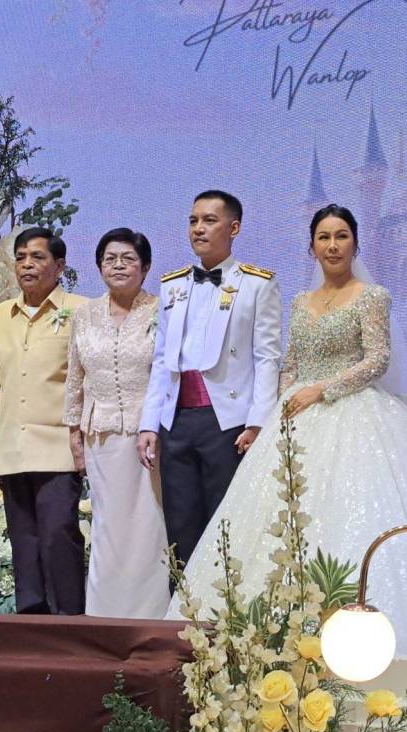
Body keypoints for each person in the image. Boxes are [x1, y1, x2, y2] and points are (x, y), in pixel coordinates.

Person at [171, 204, 407, 658]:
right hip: (297, 416)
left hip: (356, 415)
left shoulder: (372, 296)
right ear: (311, 246)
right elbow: (290, 362)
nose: (333, 245)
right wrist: (284, 402)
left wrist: (322, 390)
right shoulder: (299, 302)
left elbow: (377, 359)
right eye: (324, 237)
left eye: (342, 236)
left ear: (355, 243)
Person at [137, 190, 282, 567]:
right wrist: (149, 423)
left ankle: (229, 603)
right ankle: (183, 603)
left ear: (234, 228)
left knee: (227, 524)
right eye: (193, 221)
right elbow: (161, 360)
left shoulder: (257, 284)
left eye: (209, 220)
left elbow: (268, 358)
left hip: (227, 421)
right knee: (180, 526)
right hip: (176, 420)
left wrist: (258, 422)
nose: (198, 229)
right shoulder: (172, 285)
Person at [0, 227, 88, 614]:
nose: (27, 264)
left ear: (59, 266)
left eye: (37, 257)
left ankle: (69, 620)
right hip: (12, 446)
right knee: (23, 540)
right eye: (21, 257)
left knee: (58, 534)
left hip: (59, 446)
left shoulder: (82, 311)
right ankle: (30, 623)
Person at [63, 228, 170, 619]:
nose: (119, 266)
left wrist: (157, 426)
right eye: (110, 259)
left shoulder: (162, 311)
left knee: (147, 525)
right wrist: (74, 434)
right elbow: (75, 376)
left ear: (146, 267)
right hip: (100, 437)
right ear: (99, 267)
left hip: (149, 438)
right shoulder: (84, 314)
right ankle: (104, 615)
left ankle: (149, 614)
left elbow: (170, 374)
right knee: (108, 527)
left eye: (128, 259)